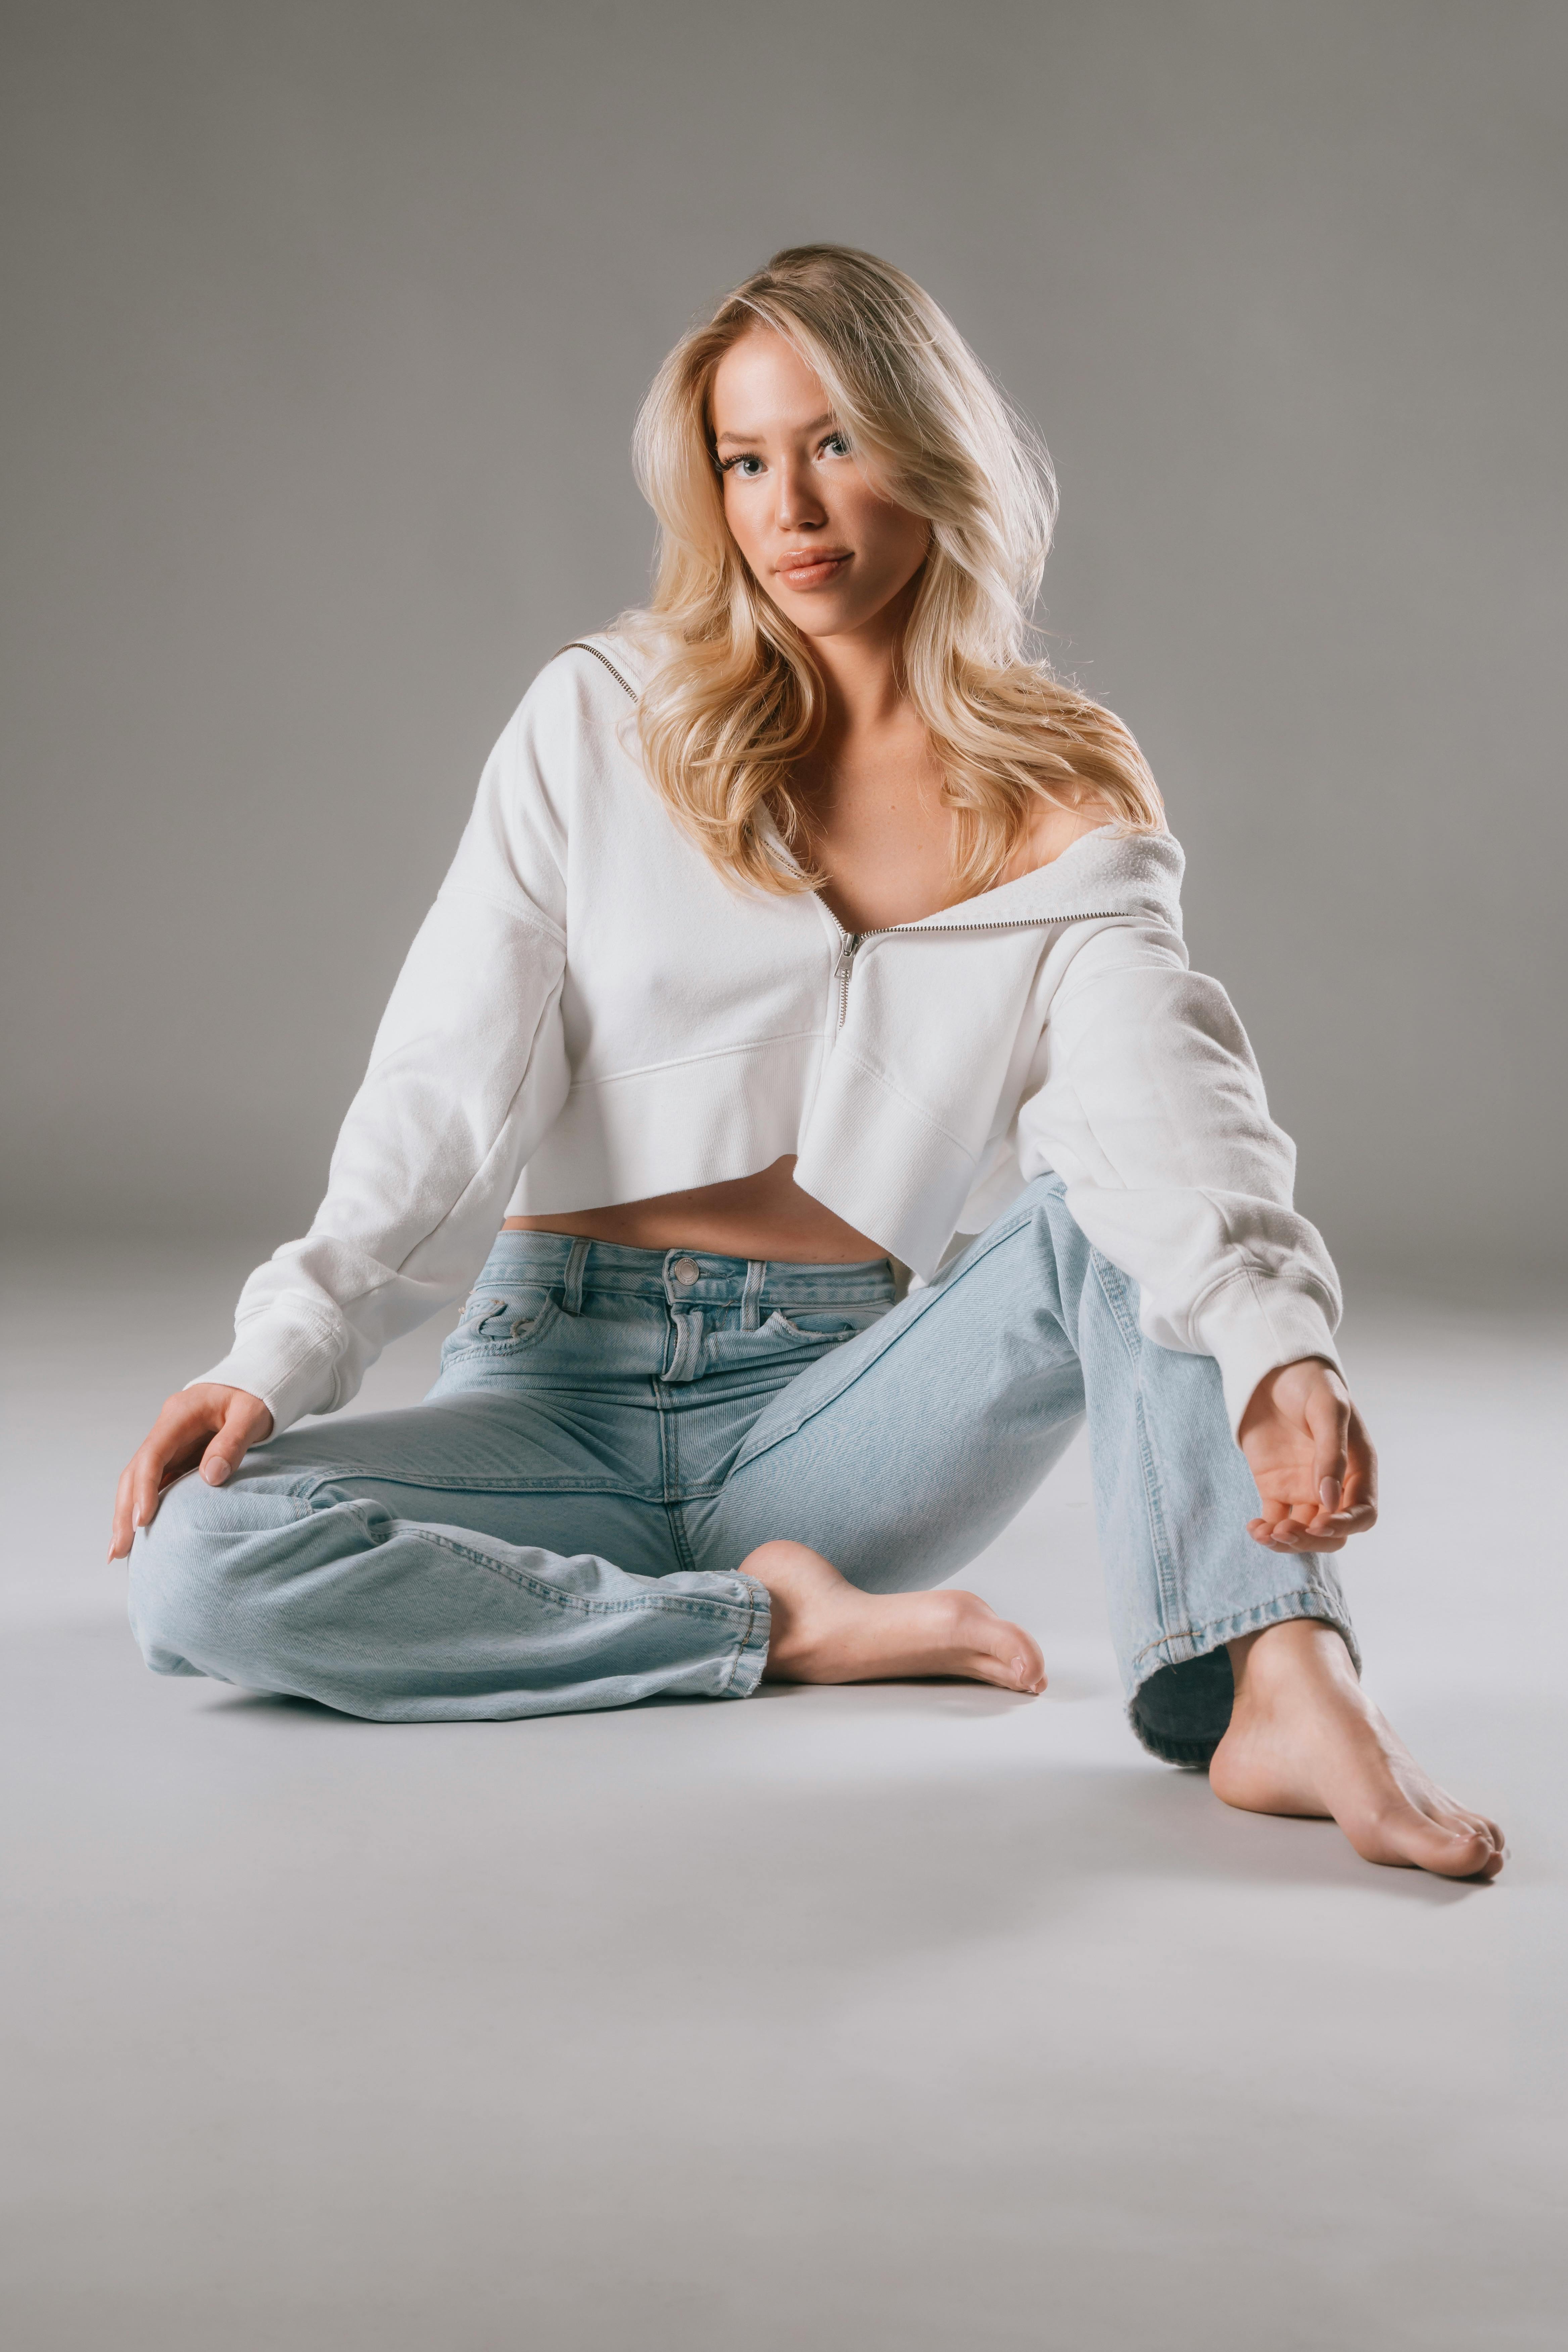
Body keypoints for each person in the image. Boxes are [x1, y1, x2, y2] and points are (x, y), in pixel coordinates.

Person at [110, 245, 1503, 1881]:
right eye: (745, 460)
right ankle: (764, 1626)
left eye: (834, 444)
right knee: (201, 1566)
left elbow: (1161, 1098)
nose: (790, 507)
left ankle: (1282, 1676)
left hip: (841, 1410)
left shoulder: (1058, 787)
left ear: (930, 448)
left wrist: (1280, 1350)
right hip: (553, 1395)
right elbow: (447, 1073)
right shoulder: (603, 719)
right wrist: (288, 1340)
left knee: (1108, 1222)